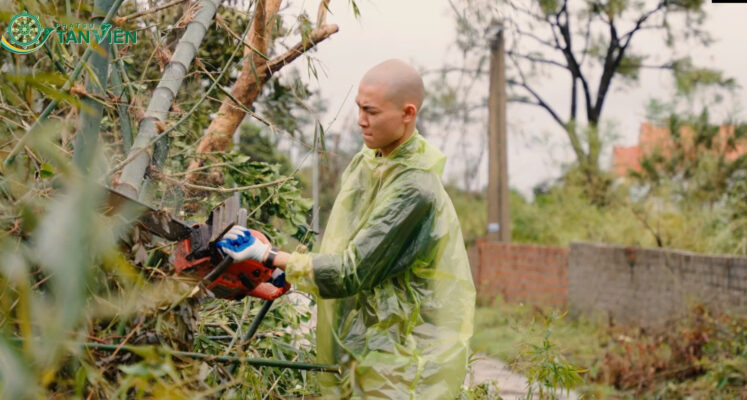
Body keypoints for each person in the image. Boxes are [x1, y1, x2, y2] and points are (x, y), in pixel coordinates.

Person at [217, 59, 476, 399]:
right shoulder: (370, 163)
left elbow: (351, 271)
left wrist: (268, 254)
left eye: (371, 111)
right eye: (358, 108)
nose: (360, 121)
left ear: (407, 113)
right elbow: (345, 248)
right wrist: (288, 272)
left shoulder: (414, 188)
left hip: (401, 363)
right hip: (367, 349)